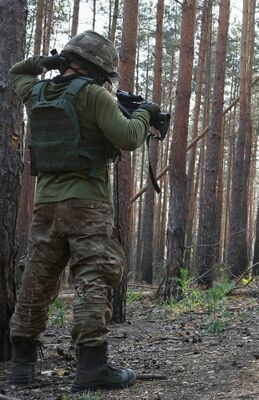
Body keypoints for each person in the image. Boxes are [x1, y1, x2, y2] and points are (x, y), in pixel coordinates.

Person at [9, 30, 161, 392]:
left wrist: (45, 63)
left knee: (35, 281)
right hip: (87, 203)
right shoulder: (95, 95)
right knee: (92, 280)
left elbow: (18, 73)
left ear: (69, 58)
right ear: (100, 67)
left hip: (46, 204)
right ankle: (92, 368)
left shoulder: (38, 91)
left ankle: (21, 369)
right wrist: (144, 114)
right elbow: (127, 137)